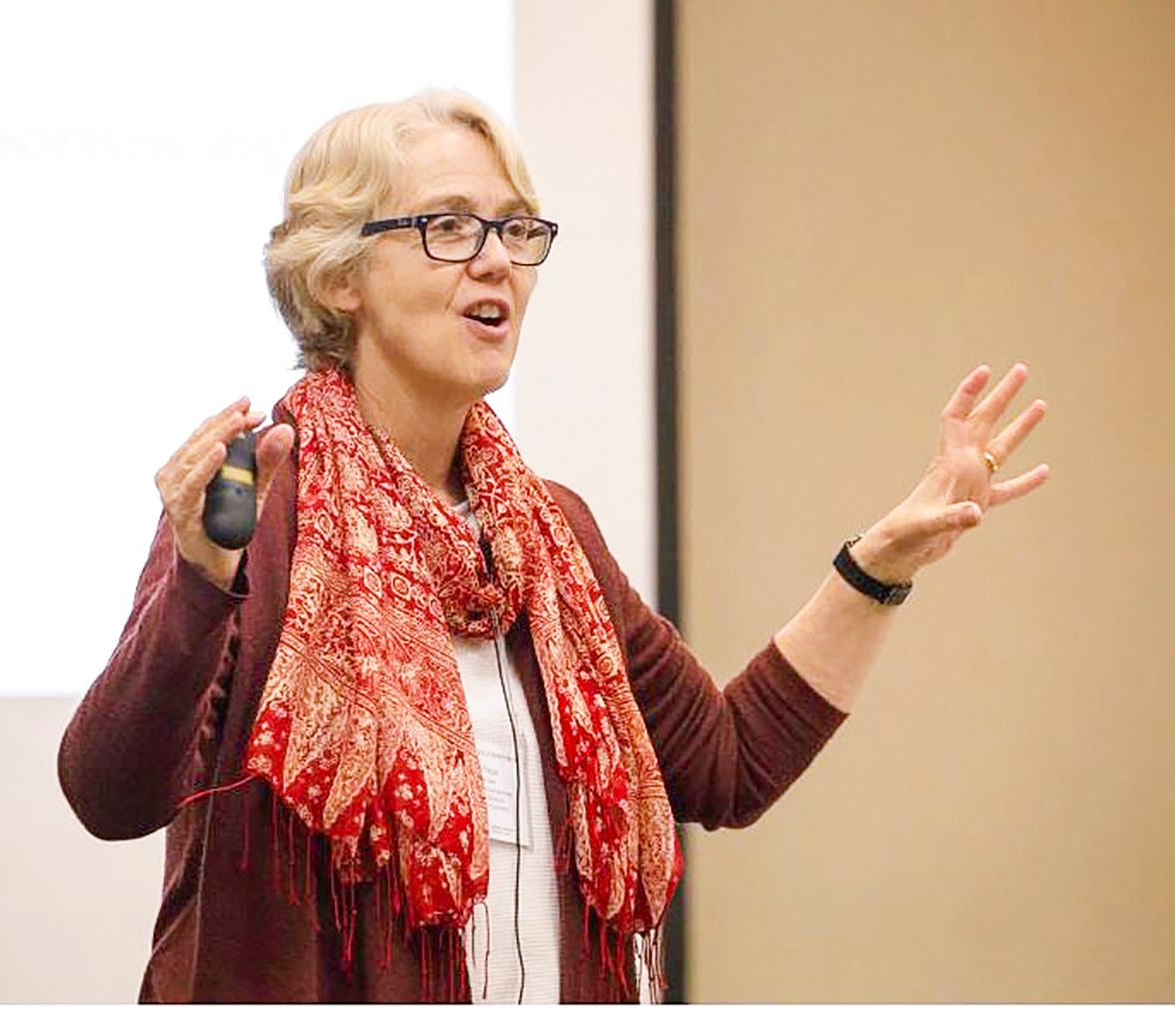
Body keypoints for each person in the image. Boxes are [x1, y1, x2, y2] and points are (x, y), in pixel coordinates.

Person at [58, 90, 1048, 1004]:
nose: (496, 262)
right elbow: (110, 791)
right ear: (339, 273)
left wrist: (879, 566)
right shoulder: (264, 509)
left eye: (515, 230)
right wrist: (197, 583)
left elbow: (726, 763)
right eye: (448, 226)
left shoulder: (550, 536)